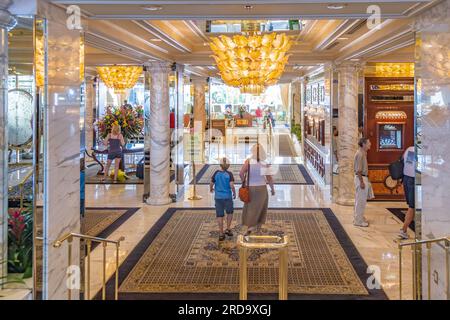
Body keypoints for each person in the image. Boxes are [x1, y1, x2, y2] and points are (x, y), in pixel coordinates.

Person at [239, 144, 275, 235]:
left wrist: (244, 181)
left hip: (250, 187)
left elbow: (241, 173)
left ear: (252, 152)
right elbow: (269, 178)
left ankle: (250, 228)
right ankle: (258, 229)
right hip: (262, 188)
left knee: (250, 208)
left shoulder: (248, 162)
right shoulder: (265, 163)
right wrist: (272, 189)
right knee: (261, 208)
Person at [210, 157, 236, 241]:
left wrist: (211, 189)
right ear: (228, 166)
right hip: (227, 197)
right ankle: (228, 228)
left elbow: (211, 182)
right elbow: (231, 185)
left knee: (220, 215)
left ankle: (221, 233)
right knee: (230, 212)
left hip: (218, 198)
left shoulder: (216, 173)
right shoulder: (229, 174)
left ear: (220, 165)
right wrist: (234, 192)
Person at [353, 137, 374, 227]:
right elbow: (358, 170)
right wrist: (362, 182)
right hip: (360, 178)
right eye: (369, 143)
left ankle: (359, 217)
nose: (370, 145)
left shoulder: (363, 153)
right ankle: (358, 221)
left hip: (362, 178)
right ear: (364, 144)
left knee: (360, 200)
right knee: (361, 201)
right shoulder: (360, 154)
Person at [399, 146, 415, 239]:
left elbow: (404, 162)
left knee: (411, 206)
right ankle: (403, 230)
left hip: (406, 178)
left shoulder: (409, 149)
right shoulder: (420, 151)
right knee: (412, 207)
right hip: (413, 180)